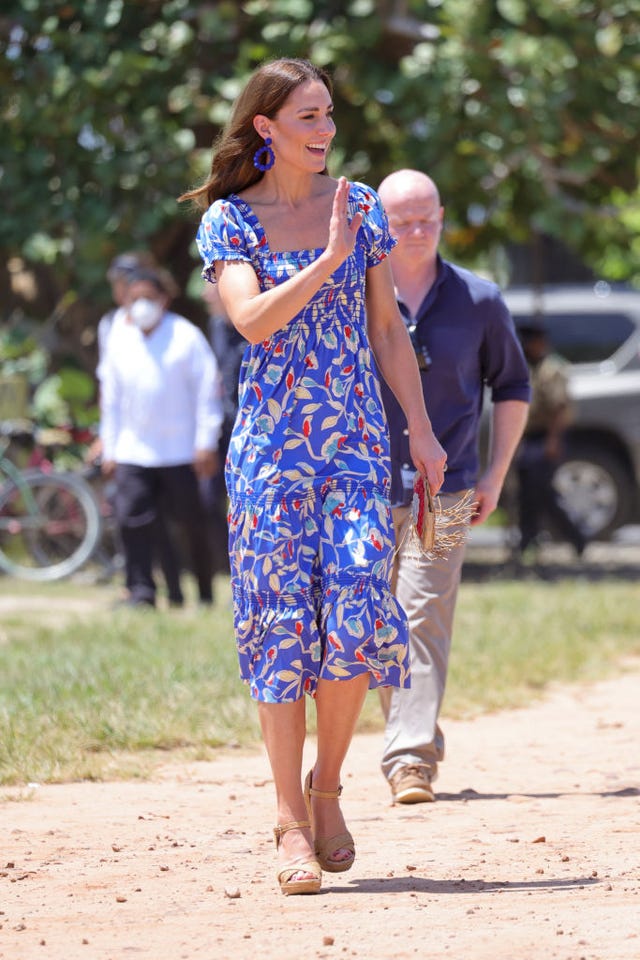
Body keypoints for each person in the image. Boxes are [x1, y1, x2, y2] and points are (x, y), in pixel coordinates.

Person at [179, 58, 446, 896]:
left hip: (359, 448)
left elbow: (389, 336)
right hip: (270, 454)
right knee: (282, 630)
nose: (325, 129)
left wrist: (426, 434)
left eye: (329, 113)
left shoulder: (359, 207)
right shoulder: (230, 221)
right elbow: (253, 321)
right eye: (307, 117)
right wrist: (328, 258)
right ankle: (290, 820)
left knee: (359, 608)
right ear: (266, 127)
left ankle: (328, 788)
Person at [376, 169, 531, 805]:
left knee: (423, 612)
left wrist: (495, 474)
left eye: (426, 219)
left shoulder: (480, 299)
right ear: (378, 225)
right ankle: (406, 733)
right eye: (401, 221)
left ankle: (409, 758)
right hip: (363, 484)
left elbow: (514, 387)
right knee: (373, 619)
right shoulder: (356, 293)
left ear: (443, 216)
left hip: (450, 484)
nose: (416, 232)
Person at [99, 267, 223, 608]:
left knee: (190, 522)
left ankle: (204, 590)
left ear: (164, 300)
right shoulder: (118, 336)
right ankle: (141, 591)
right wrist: (109, 446)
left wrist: (205, 441)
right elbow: (110, 398)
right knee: (131, 519)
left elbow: (206, 393)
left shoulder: (185, 337)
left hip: (180, 450)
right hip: (132, 449)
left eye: (147, 299)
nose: (140, 306)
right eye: (133, 298)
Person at [92, 253, 186, 603]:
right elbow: (109, 387)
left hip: (169, 445)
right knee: (132, 516)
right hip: (130, 442)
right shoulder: (112, 325)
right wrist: (108, 438)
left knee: (165, 522)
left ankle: (175, 587)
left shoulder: (173, 329)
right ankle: (138, 587)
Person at [514, 320, 587, 559]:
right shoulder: (527, 366)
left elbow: (559, 408)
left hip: (547, 437)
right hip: (530, 438)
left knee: (543, 492)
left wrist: (553, 441)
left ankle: (575, 537)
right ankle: (527, 540)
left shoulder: (552, 368)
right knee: (526, 493)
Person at [199, 282, 247, 576]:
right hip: (222, 428)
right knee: (207, 497)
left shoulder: (254, 321)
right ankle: (225, 566)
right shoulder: (216, 325)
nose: (205, 295)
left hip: (254, 429)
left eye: (210, 287)